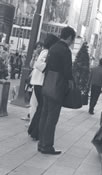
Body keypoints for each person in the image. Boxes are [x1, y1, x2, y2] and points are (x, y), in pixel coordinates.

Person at [38, 26, 76, 155]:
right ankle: (47, 146)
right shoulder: (65, 51)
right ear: (70, 37)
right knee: (52, 118)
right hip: (57, 87)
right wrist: (71, 82)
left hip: (47, 84)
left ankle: (40, 143)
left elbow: (47, 66)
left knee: (44, 114)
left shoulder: (53, 47)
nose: (72, 42)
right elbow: (67, 71)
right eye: (73, 39)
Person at [28, 34, 59, 141]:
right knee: (41, 108)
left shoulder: (44, 51)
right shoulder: (46, 52)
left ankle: (33, 130)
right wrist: (48, 68)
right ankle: (35, 131)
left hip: (38, 82)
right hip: (40, 83)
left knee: (40, 107)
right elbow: (39, 64)